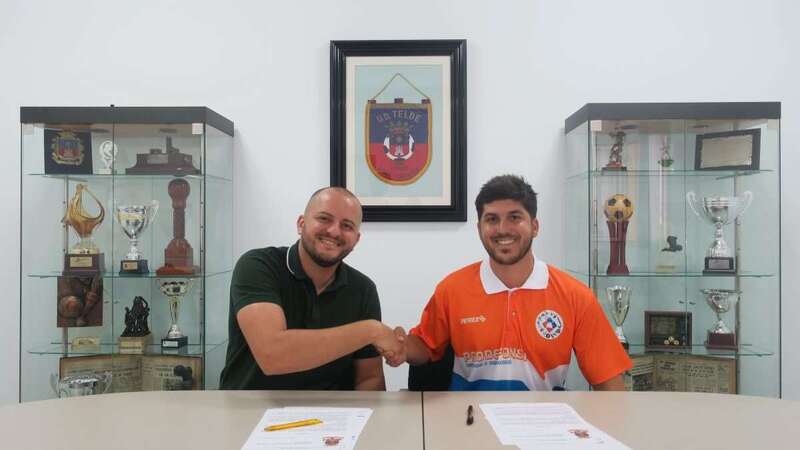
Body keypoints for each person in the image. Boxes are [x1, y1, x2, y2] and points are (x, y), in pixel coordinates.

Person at [385, 175, 632, 391]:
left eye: (515, 217)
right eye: (491, 219)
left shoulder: (576, 296)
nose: (503, 229)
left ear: (534, 226)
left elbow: (608, 382)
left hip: (544, 425)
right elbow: (426, 347)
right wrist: (403, 347)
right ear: (479, 227)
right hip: (467, 423)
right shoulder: (452, 289)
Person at [220, 187, 404, 390]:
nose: (334, 231)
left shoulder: (363, 289)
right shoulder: (258, 266)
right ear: (301, 224)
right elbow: (273, 355)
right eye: (324, 219)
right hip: (250, 412)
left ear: (356, 240)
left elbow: (369, 378)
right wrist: (370, 331)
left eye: (347, 225)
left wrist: (364, 418)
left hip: (334, 416)